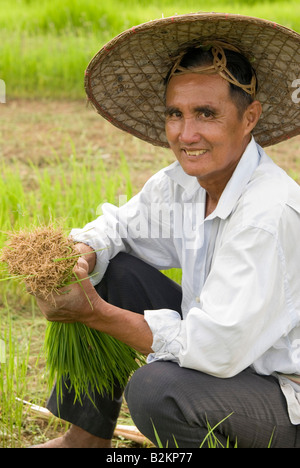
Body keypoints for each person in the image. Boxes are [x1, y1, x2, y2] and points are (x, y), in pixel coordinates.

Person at [32, 13, 300, 448]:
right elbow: (120, 227)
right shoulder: (181, 184)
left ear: (249, 119)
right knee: (111, 271)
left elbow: (215, 349)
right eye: (175, 113)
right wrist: (82, 254)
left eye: (206, 114)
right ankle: (84, 440)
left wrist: (94, 313)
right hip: (226, 351)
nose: (185, 133)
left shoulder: (267, 213)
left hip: (281, 393)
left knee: (157, 391)